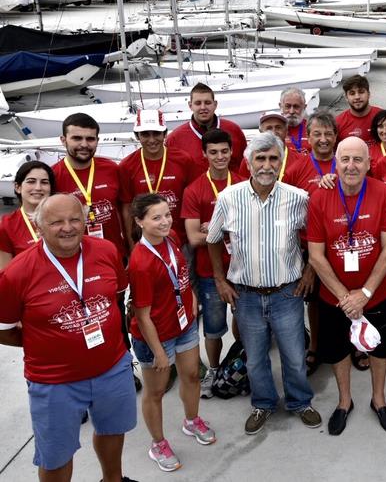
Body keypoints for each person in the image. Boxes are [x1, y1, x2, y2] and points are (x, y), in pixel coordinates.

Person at [0, 194, 137, 482]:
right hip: (54, 381)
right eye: (56, 222)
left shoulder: (106, 250)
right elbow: (4, 329)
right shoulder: (17, 273)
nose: (68, 227)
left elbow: (116, 296)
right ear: (39, 228)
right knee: (55, 455)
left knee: (113, 430)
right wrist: (48, 343)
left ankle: (113, 479)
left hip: (111, 367)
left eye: (75, 219)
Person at [206, 132, 321, 435]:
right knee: (255, 359)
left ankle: (299, 402)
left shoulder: (298, 198)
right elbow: (213, 239)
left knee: (295, 357)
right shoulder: (229, 198)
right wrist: (220, 279)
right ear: (248, 162)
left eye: (273, 158)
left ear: (281, 162)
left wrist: (310, 271)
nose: (266, 165)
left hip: (287, 293)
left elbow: (315, 239)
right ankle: (263, 404)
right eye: (260, 158)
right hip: (246, 297)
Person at [307, 137, 386, 436]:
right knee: (337, 352)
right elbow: (316, 256)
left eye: (358, 159)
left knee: (379, 348)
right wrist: (346, 297)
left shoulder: (383, 193)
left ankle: (379, 399)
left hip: (376, 294)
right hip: (335, 298)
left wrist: (366, 294)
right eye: (344, 159)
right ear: (335, 162)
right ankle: (344, 401)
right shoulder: (319, 197)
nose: (351, 166)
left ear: (369, 163)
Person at [128, 194, 213, 472]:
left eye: (167, 215)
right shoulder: (141, 262)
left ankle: (191, 421)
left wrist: (191, 307)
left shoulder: (172, 237)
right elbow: (142, 315)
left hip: (184, 325)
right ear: (140, 221)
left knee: (190, 375)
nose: (165, 222)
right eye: (156, 217)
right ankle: (158, 443)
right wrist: (159, 352)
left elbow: (182, 279)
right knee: (156, 391)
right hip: (156, 337)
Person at [181, 129, 246, 399]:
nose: (219, 157)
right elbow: (194, 238)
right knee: (214, 327)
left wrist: (216, 229)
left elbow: (253, 227)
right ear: (204, 154)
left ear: (232, 152)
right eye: (213, 152)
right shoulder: (195, 189)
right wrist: (224, 231)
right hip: (209, 271)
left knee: (244, 322)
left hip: (243, 269)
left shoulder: (244, 183)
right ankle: (215, 369)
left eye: (224, 151)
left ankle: (240, 366)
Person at [119, 109, 197, 252]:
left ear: (165, 134)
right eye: (145, 134)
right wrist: (132, 247)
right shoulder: (127, 166)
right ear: (137, 136)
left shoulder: (184, 160)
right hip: (144, 243)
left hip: (180, 241)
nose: (151, 140)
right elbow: (127, 208)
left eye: (156, 133)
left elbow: (193, 201)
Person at [53, 112, 126, 256]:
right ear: (63, 140)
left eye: (90, 139)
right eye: (77, 138)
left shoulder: (111, 168)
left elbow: (124, 210)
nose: (84, 145)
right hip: (75, 257)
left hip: (115, 253)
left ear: (97, 140)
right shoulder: (53, 176)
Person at [166, 83, 246, 171]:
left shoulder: (234, 130)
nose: (203, 107)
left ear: (215, 104)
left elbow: (245, 167)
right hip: (195, 185)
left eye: (207, 103)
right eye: (198, 103)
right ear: (190, 105)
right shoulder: (174, 139)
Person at [0, 161, 55, 270]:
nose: (38, 187)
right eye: (31, 181)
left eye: (44, 182)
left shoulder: (63, 218)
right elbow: (5, 274)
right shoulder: (6, 226)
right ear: (17, 187)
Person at [283, 109, 338, 195]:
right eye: (317, 134)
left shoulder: (345, 167)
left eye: (328, 134)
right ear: (308, 137)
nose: (323, 139)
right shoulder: (295, 169)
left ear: (335, 137)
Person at [237, 112, 300, 180]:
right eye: (269, 128)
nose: (273, 132)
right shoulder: (250, 158)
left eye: (278, 127)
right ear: (261, 131)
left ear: (286, 131)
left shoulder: (298, 160)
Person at [335, 74, 382, 144]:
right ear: (346, 97)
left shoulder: (382, 117)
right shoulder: (338, 122)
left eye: (361, 92)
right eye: (352, 93)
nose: (357, 97)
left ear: (369, 94)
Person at [280, 87, 310, 154]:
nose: (291, 111)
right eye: (287, 106)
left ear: (304, 107)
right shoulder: (275, 129)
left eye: (296, 107)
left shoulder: (311, 128)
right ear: (280, 106)